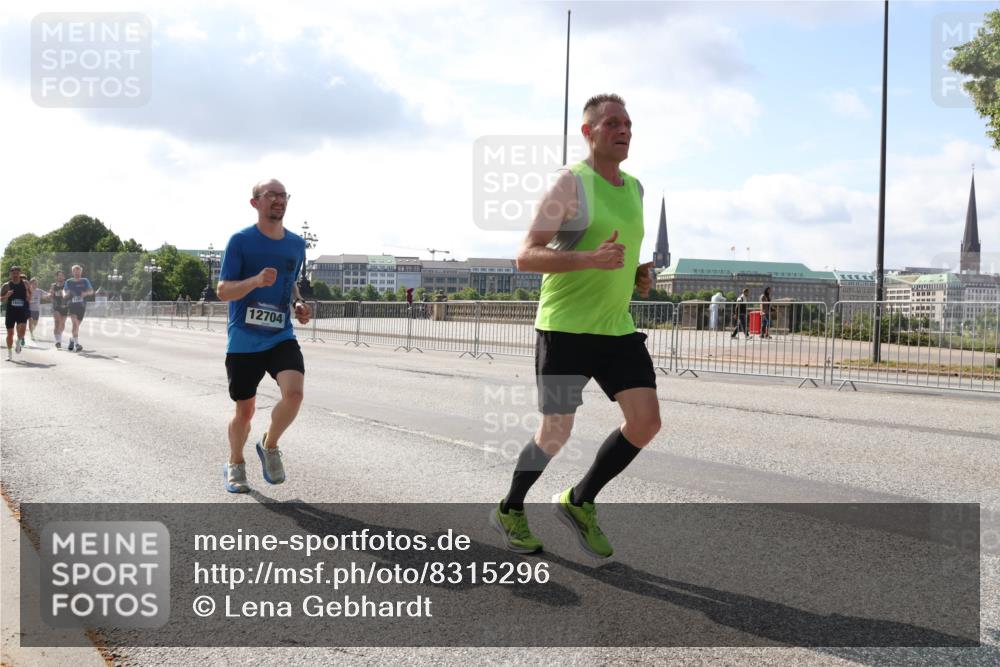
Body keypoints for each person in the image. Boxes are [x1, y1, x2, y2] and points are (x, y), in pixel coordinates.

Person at [492, 94, 660, 559]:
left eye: (628, 124)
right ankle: (510, 508)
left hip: (616, 329)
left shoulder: (636, 188)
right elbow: (526, 254)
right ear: (588, 132)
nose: (623, 131)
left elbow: (620, 254)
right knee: (556, 431)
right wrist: (591, 258)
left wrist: (637, 274)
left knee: (646, 423)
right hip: (565, 328)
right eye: (611, 124)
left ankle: (579, 501)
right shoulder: (570, 184)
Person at [217, 178, 312, 493]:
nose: (279, 199)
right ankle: (235, 462)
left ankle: (270, 445)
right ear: (255, 202)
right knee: (244, 411)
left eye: (283, 195)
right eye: (271, 194)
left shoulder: (297, 245)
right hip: (244, 339)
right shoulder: (240, 241)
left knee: (294, 394)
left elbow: (291, 281)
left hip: (280, 335)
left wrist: (297, 302)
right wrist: (255, 281)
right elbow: (223, 291)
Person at [2, 266, 31, 360]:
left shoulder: (25, 283)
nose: (15, 275)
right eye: (13, 273)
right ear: (10, 274)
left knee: (22, 330)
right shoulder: (6, 285)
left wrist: (28, 296)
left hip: (22, 311)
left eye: (17, 273)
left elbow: (30, 295)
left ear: (20, 273)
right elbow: (0, 299)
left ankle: (18, 342)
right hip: (11, 312)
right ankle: (9, 353)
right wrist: (6, 296)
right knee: (10, 333)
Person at [63, 265, 94, 352]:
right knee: (75, 324)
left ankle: (72, 340)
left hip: (82, 306)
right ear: (72, 272)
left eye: (78, 271)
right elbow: (64, 290)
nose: (77, 273)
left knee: (77, 326)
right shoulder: (69, 281)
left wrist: (86, 293)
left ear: (81, 272)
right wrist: (64, 294)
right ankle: (77, 344)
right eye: (75, 271)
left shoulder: (85, 281)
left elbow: (91, 291)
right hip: (72, 305)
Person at [50, 270, 69, 349]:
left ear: (64, 277)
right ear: (56, 277)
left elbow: (69, 295)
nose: (60, 277)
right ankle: (58, 341)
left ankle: (59, 338)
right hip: (56, 306)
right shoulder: (53, 285)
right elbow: (51, 296)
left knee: (62, 324)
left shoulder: (67, 285)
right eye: (59, 275)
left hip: (65, 306)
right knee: (57, 322)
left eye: (62, 275)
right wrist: (54, 304)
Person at [27, 278, 49, 342]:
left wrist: (49, 295)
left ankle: (31, 331)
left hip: (36, 309)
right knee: (30, 321)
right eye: (34, 283)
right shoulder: (28, 291)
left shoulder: (39, 291)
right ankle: (31, 334)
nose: (35, 285)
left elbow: (46, 294)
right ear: (30, 284)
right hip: (29, 309)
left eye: (36, 284)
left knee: (35, 323)